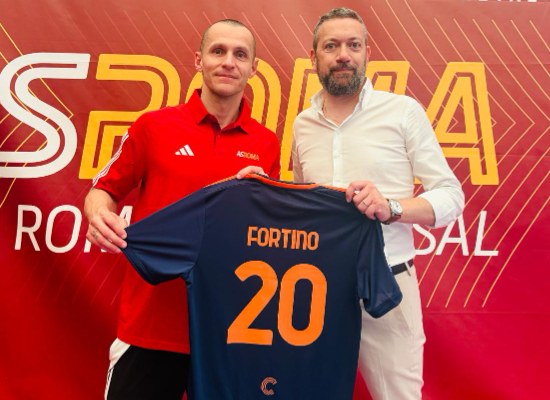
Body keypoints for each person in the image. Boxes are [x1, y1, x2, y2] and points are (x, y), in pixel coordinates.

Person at [238, 7, 464, 400]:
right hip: (314, 287)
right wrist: (264, 190)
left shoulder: (403, 112)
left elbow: (451, 196)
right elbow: (304, 207)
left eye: (353, 45)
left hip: (387, 282)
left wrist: (391, 207)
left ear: (366, 53)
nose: (343, 55)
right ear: (314, 57)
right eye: (331, 46)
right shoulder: (303, 124)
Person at [84, 19, 280, 400]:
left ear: (253, 68)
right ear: (198, 59)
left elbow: (267, 233)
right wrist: (98, 214)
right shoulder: (153, 126)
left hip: (229, 332)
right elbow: (103, 190)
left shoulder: (266, 143)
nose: (228, 62)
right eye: (218, 51)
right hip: (149, 328)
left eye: (240, 55)